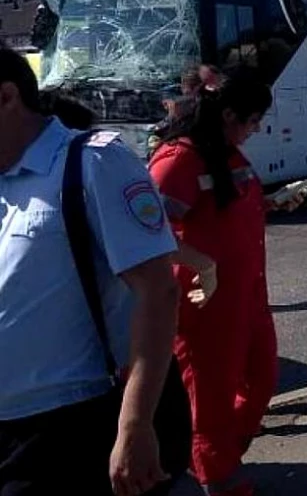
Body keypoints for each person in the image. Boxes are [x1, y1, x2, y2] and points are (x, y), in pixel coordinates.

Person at [0, 46, 182, 495]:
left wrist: (135, 426)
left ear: (6, 98)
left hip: (70, 427)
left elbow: (157, 291)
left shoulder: (93, 161)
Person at [148, 68, 306, 496]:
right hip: (206, 303)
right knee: (211, 398)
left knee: (262, 377)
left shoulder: (226, 152)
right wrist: (203, 265)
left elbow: (226, 211)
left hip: (247, 295)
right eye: (253, 120)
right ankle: (216, 475)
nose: (256, 130)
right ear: (229, 113)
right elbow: (144, 232)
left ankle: (218, 454)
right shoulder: (179, 158)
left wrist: (272, 201)